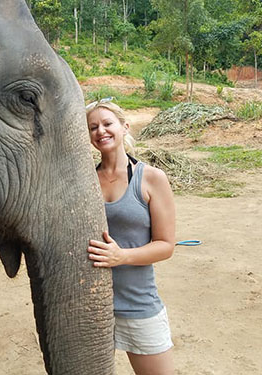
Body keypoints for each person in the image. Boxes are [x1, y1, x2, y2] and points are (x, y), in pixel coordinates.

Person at [86, 98, 176, 375]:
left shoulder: (151, 178)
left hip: (137, 304)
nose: (100, 131)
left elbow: (166, 245)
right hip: (90, 306)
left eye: (107, 123)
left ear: (124, 127)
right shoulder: (84, 179)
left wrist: (121, 256)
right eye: (92, 127)